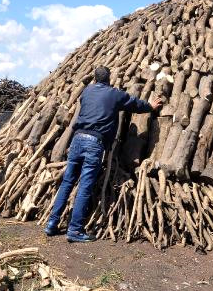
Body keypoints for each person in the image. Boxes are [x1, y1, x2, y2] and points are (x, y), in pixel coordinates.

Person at [44, 66, 162, 242]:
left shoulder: (87, 91)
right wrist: (150, 106)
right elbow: (134, 104)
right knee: (84, 185)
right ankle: (75, 230)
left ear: (95, 78)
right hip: (94, 142)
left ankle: (51, 224)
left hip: (77, 140)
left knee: (67, 182)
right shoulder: (114, 94)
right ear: (109, 79)